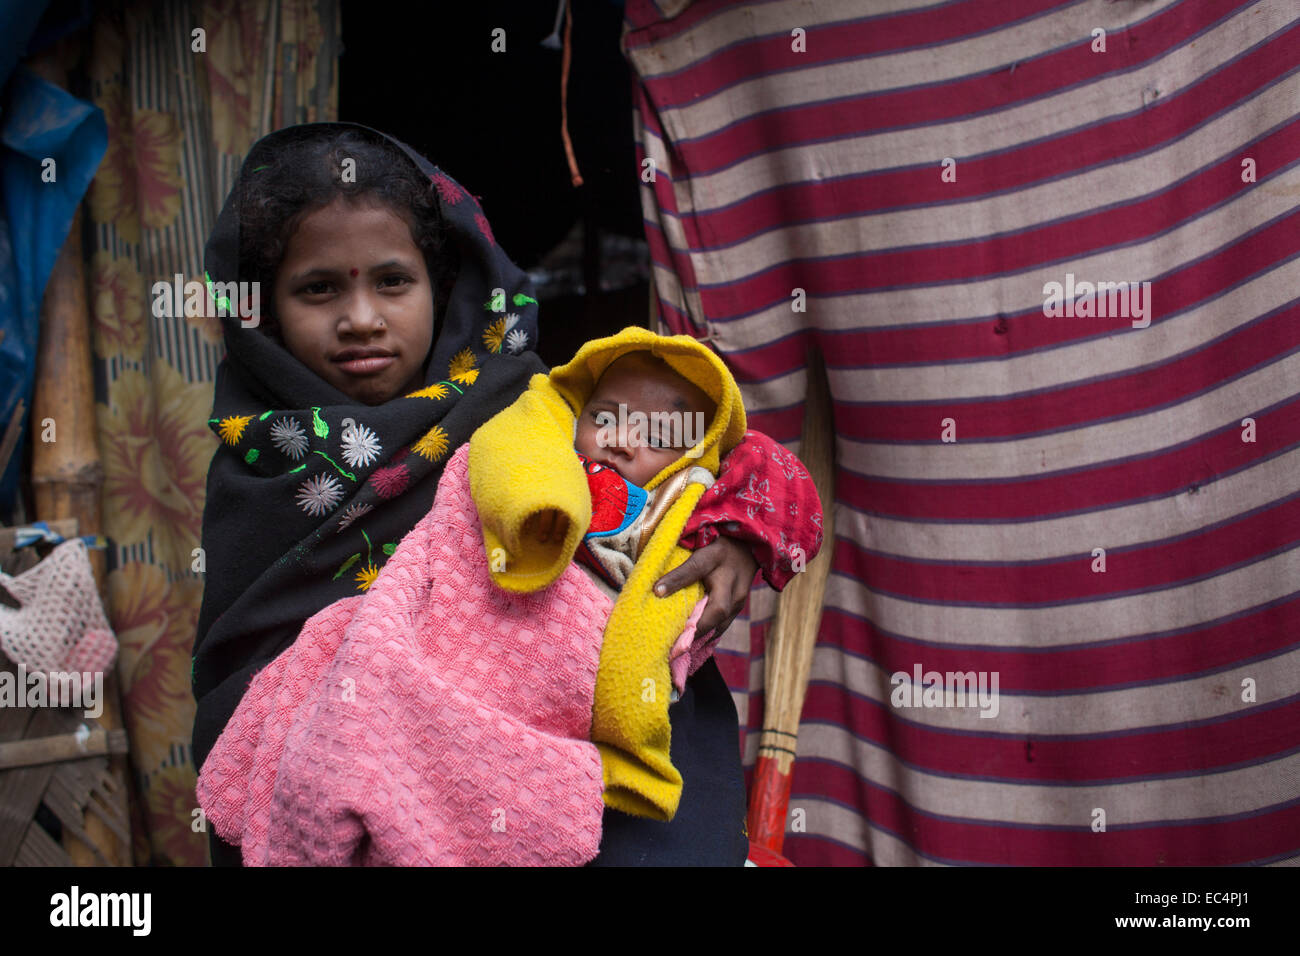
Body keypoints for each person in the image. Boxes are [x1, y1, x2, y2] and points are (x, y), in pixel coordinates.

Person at [192, 122, 823, 866]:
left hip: (594, 784)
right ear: (261, 309)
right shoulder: (262, 472)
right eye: (318, 288)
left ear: (444, 282)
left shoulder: (530, 409)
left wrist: (740, 538)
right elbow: (244, 698)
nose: (361, 318)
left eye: (393, 281)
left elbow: (740, 456)